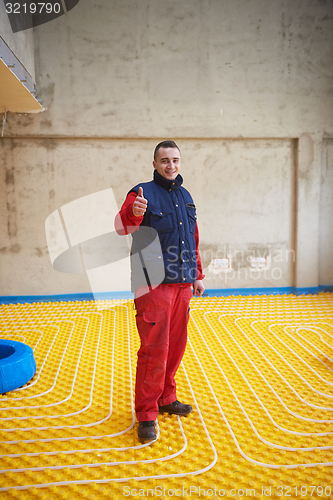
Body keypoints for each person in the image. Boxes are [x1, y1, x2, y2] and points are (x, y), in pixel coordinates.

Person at [114, 140, 205, 442]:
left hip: (182, 285)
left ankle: (166, 398)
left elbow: (192, 238)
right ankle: (147, 414)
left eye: (175, 160)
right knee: (155, 350)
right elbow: (121, 226)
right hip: (152, 284)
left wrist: (198, 276)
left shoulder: (185, 195)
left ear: (180, 163)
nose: (171, 165)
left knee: (176, 345)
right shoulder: (140, 193)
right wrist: (135, 213)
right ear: (154, 164)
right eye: (164, 160)